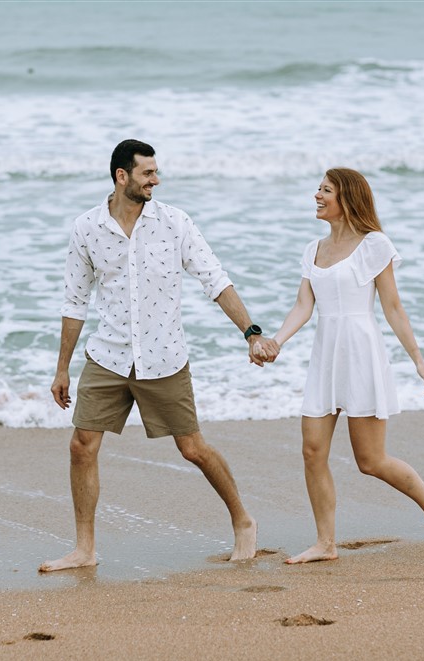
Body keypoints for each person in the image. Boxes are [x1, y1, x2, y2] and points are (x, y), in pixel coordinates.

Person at [39, 139, 280, 572]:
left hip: (164, 356)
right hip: (108, 357)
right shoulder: (87, 228)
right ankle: (85, 549)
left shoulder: (174, 223)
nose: (156, 180)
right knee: (81, 446)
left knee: (192, 448)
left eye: (155, 172)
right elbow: (74, 301)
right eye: (148, 173)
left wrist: (251, 333)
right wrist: (62, 368)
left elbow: (215, 279)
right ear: (121, 177)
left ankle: (243, 521)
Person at [256, 167, 424, 562]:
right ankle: (325, 544)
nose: (317, 196)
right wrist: (276, 340)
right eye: (318, 189)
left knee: (370, 461)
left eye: (325, 190)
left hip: (361, 353)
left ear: (346, 198)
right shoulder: (313, 249)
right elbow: (304, 306)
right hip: (325, 355)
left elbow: (393, 307)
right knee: (312, 451)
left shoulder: (374, 245)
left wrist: (418, 360)